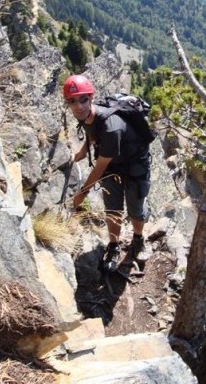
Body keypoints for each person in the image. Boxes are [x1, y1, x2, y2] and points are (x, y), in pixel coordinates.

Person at [63, 74, 152, 272]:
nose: (78, 106)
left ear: (92, 98)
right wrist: (82, 152)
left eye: (83, 99)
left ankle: (138, 238)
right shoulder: (87, 116)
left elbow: (100, 166)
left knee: (135, 209)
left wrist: (81, 194)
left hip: (135, 166)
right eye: (72, 101)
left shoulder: (111, 128)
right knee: (112, 209)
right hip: (114, 164)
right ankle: (114, 245)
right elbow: (91, 133)